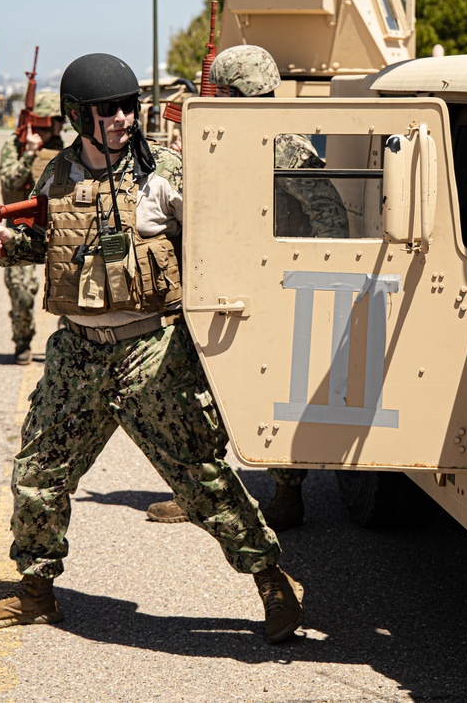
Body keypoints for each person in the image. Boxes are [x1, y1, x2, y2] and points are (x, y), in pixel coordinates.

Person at [0, 53, 304, 644]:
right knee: (39, 472)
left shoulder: (166, 170)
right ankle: (37, 592)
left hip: (154, 348)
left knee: (199, 478)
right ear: (77, 116)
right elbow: (50, 242)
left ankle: (274, 582)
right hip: (77, 349)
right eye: (108, 110)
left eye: (128, 106)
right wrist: (8, 244)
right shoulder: (57, 173)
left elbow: (221, 242)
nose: (123, 117)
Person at [146, 44, 349, 531]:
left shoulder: (286, 145)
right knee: (200, 386)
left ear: (237, 91)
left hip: (274, 284)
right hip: (222, 277)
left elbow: (330, 217)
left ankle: (285, 493)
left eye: (219, 90)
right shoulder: (227, 137)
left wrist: (316, 277)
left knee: (274, 386)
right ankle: (204, 492)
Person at [0, 92, 65, 364]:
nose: (61, 125)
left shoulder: (62, 147)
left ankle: (67, 342)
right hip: (18, 228)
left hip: (54, 227)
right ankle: (22, 340)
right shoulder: (15, 145)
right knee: (22, 291)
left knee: (68, 287)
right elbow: (10, 180)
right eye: (57, 119)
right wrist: (29, 154)